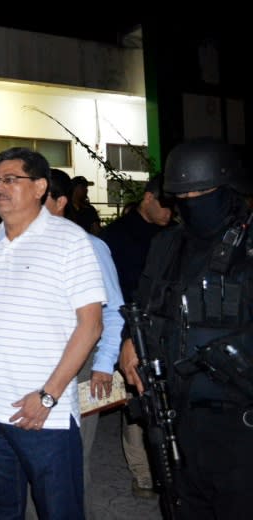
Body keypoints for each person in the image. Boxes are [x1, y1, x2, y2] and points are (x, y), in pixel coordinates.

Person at [0, 148, 105, 519]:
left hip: (43, 415)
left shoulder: (70, 240)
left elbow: (91, 324)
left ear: (39, 187)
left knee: (58, 510)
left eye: (10, 179)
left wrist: (48, 396)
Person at [119, 137, 253, 519]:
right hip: (175, 412)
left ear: (228, 190)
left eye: (202, 191)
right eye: (183, 194)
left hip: (239, 421)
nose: (192, 199)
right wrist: (129, 342)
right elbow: (144, 304)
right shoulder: (167, 245)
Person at [41, 168, 124, 520]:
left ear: (59, 203)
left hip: (81, 362)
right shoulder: (11, 244)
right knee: (36, 460)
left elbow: (114, 311)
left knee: (72, 459)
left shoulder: (90, 246)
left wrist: (105, 364)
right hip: (34, 360)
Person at [99, 173, 173, 498]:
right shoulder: (114, 237)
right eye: (165, 205)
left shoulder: (173, 236)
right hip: (125, 324)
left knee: (160, 397)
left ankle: (164, 468)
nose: (170, 212)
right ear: (147, 198)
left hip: (162, 325)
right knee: (134, 400)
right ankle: (141, 472)